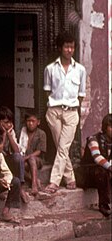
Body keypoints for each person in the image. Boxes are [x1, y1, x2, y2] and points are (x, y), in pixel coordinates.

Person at [43, 31, 86, 194]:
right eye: (66, 47)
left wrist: (71, 107)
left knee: (63, 146)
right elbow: (47, 91)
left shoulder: (80, 70)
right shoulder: (50, 69)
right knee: (62, 147)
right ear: (60, 48)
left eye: (72, 47)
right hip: (54, 111)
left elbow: (81, 94)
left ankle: (54, 181)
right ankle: (70, 178)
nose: (69, 50)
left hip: (71, 112)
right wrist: (56, 106)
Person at [0, 106, 30, 203]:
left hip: (6, 162)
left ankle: (20, 187)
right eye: (6, 122)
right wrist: (4, 135)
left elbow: (17, 151)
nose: (9, 125)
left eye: (10, 122)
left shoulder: (11, 132)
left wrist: (9, 135)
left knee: (18, 157)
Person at [77, 113, 112, 217]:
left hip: (103, 175)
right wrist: (110, 168)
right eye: (111, 127)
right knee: (102, 170)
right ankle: (104, 205)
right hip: (86, 175)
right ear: (105, 127)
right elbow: (97, 157)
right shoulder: (94, 139)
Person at [18, 111, 47, 196]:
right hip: (24, 159)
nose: (30, 123)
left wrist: (26, 158)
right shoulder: (22, 132)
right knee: (18, 164)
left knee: (31, 159)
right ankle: (33, 179)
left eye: (33, 121)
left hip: (37, 160)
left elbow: (39, 151)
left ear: (38, 122)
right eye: (28, 121)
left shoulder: (41, 133)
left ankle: (34, 185)